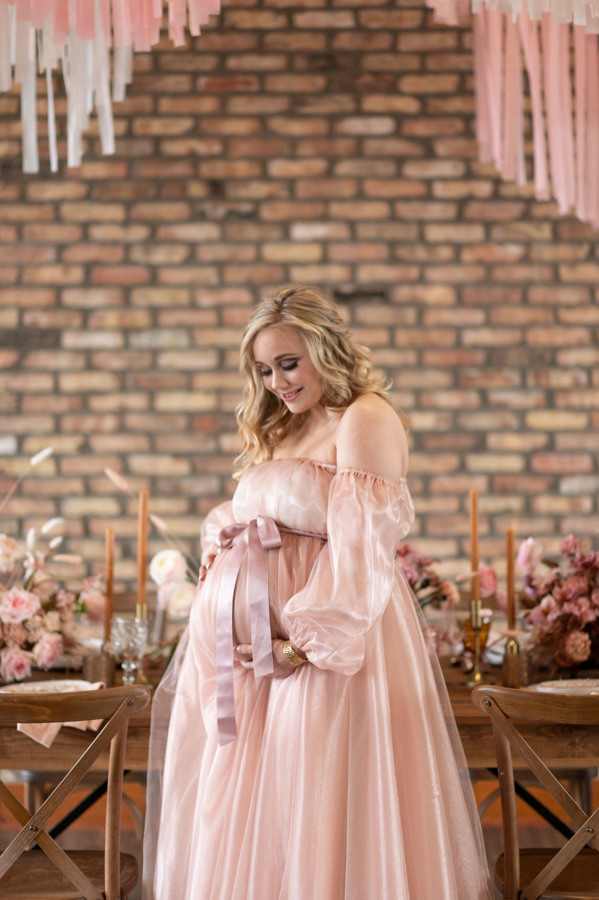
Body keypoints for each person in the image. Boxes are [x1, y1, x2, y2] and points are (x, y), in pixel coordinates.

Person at [143, 286, 492, 900]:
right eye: (263, 370)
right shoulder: (285, 425)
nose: (276, 382)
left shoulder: (365, 417)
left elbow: (362, 550)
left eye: (288, 363)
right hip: (254, 663)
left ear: (324, 348)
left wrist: (302, 646)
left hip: (323, 657)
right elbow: (258, 514)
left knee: (316, 800)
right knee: (260, 810)